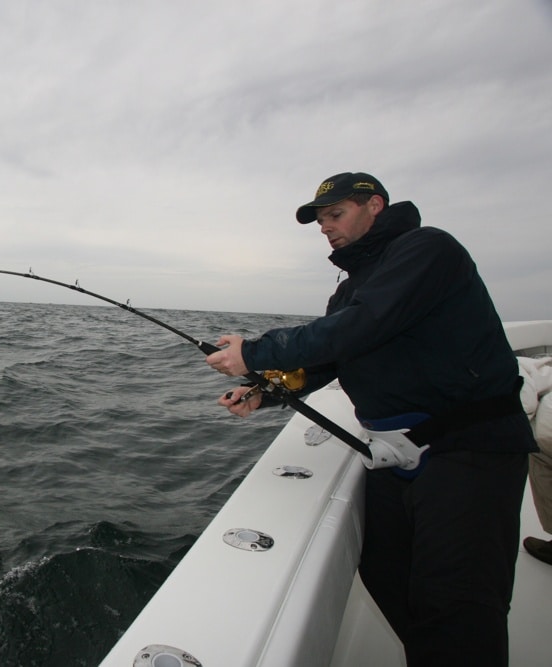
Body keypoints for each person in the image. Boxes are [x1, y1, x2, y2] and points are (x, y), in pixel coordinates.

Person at [205, 172, 538, 666]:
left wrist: (254, 350)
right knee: (386, 575)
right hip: (397, 456)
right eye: (320, 222)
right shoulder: (350, 289)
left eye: (334, 215)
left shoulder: (428, 250)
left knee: (458, 605)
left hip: (469, 448)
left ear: (375, 205)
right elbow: (326, 360)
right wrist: (265, 390)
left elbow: (363, 325)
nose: (325, 229)